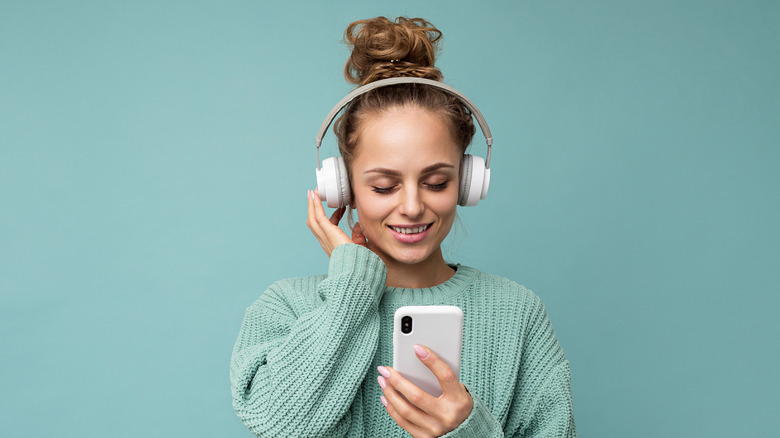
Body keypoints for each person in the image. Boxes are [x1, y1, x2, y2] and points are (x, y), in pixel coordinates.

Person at [231, 16, 576, 438]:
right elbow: (278, 424)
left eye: (436, 182)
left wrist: (469, 431)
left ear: (468, 183)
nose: (412, 206)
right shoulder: (288, 307)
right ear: (344, 188)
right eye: (383, 185)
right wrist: (353, 289)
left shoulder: (518, 313)